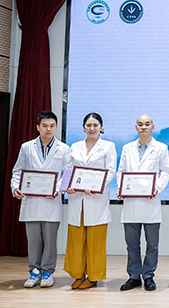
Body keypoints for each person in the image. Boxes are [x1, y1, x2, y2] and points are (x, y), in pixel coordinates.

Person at [10, 110, 71, 288]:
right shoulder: (26, 147)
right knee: (33, 241)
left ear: (56, 127)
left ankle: (47, 272)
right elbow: (18, 171)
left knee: (50, 241)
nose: (48, 129)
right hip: (31, 200)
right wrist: (16, 188)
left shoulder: (64, 149)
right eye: (44, 125)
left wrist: (58, 189)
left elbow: (67, 174)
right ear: (38, 127)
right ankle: (34, 271)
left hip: (51, 200)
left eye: (52, 125)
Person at [117, 115, 169, 292]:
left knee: (152, 244)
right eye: (140, 124)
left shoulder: (161, 148)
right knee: (132, 244)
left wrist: (156, 188)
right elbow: (121, 171)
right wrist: (120, 187)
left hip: (150, 201)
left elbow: (166, 173)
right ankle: (134, 276)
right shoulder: (127, 148)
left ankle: (148, 275)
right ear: (136, 127)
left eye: (147, 124)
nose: (143, 127)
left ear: (152, 127)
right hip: (131, 202)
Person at [63, 112, 116, 289]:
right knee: (76, 240)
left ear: (101, 127)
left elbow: (111, 171)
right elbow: (68, 170)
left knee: (95, 241)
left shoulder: (108, 146)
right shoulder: (75, 146)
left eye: (95, 125)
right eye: (88, 125)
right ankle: (78, 274)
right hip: (77, 198)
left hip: (96, 199)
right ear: (84, 127)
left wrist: (96, 186)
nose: (92, 128)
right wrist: (67, 187)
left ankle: (93, 277)